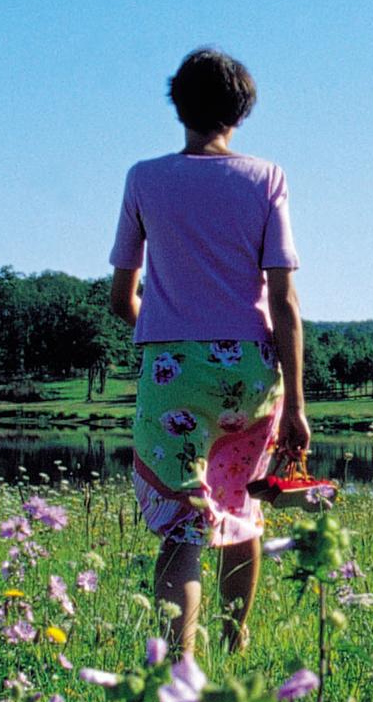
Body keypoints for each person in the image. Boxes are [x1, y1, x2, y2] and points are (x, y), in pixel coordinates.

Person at [108, 47, 311, 658]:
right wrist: (297, 405)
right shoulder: (266, 178)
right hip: (252, 371)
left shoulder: (144, 179)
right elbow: (285, 301)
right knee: (241, 511)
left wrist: (168, 334)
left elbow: (121, 298)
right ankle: (234, 644)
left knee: (183, 528)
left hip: (174, 372)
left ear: (178, 106)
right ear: (242, 112)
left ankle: (181, 668)